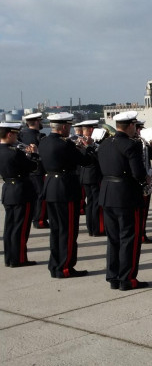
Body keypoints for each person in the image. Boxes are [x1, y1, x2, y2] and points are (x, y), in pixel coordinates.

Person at [38, 112, 95, 278]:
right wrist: (87, 147)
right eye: (69, 126)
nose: (70, 129)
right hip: (65, 188)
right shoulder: (66, 145)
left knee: (56, 230)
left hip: (51, 187)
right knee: (68, 231)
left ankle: (55, 265)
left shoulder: (44, 142)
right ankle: (66, 267)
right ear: (63, 127)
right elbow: (86, 161)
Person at [98, 111, 149, 290]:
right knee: (129, 238)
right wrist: (146, 179)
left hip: (107, 194)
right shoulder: (131, 145)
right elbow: (138, 173)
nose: (136, 129)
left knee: (113, 239)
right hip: (126, 196)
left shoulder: (104, 143)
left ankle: (113, 277)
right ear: (130, 126)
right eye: (134, 125)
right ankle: (127, 278)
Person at [0, 122, 38, 267]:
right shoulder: (15, 152)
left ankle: (9, 258)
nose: (17, 137)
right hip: (21, 191)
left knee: (9, 227)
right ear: (9, 134)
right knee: (21, 228)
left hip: (8, 189)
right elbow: (32, 167)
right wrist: (33, 154)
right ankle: (20, 258)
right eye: (15, 134)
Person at [76, 120, 105, 237]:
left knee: (90, 203)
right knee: (96, 203)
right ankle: (98, 228)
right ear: (92, 130)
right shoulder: (90, 143)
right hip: (94, 176)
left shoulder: (78, 142)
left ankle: (91, 228)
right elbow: (99, 158)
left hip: (84, 176)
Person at [19, 112, 48, 229]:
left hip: (25, 170)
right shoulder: (38, 136)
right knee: (41, 195)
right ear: (36, 122)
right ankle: (39, 219)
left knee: (31, 195)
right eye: (40, 121)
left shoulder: (20, 135)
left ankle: (32, 216)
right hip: (38, 169)